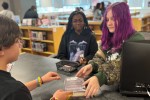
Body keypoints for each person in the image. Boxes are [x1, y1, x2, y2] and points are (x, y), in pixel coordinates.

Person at [76, 2, 145, 98]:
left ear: (124, 18)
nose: (109, 23)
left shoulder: (136, 39)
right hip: (113, 89)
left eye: (113, 19)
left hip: (131, 92)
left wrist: (100, 78)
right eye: (107, 19)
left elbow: (122, 67)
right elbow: (100, 57)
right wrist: (92, 65)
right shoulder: (110, 36)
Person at [0, 15, 72, 100]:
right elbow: (16, 92)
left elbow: (16, 91)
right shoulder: (15, 91)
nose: (20, 44)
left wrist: (40, 80)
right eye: (16, 41)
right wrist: (56, 99)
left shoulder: (12, 89)